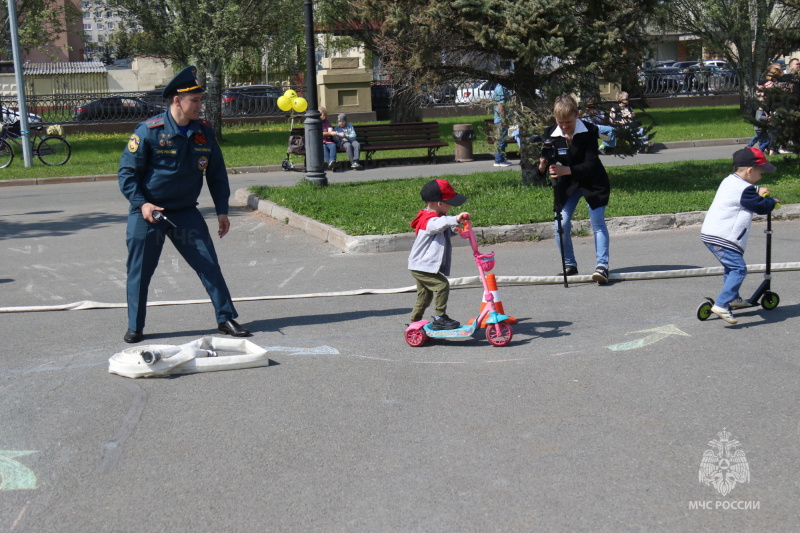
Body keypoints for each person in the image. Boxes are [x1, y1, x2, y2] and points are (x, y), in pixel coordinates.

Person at [118, 65, 250, 343]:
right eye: (195, 100)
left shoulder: (203, 133)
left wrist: (222, 211)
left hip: (185, 213)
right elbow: (127, 174)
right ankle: (135, 326)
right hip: (148, 214)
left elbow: (216, 175)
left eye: (201, 100)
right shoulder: (148, 131)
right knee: (140, 272)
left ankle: (225, 318)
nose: (200, 106)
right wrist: (143, 205)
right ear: (177, 100)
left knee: (208, 265)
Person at [536, 94, 612, 284]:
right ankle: (569, 264)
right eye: (560, 122)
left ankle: (602, 267)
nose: (563, 126)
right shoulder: (550, 133)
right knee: (560, 224)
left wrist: (566, 170)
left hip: (592, 182)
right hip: (567, 186)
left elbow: (592, 164)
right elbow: (542, 172)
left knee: (597, 222)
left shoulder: (590, 131)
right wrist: (543, 166)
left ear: (577, 115)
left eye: (568, 122)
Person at [700, 147, 779, 325]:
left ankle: (733, 298)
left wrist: (758, 188)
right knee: (739, 269)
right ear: (750, 170)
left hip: (713, 234)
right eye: (761, 172)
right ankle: (721, 304)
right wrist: (771, 202)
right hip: (723, 237)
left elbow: (747, 191)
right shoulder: (745, 191)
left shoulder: (730, 181)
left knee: (731, 267)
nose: (762, 175)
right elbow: (760, 207)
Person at [408, 179, 469, 330]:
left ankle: (414, 322)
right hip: (421, 265)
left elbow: (442, 231)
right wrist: (454, 219)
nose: (451, 207)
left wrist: (457, 229)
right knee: (442, 285)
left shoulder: (438, 219)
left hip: (421, 265)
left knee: (425, 295)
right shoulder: (427, 219)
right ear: (439, 203)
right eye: (450, 203)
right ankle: (440, 317)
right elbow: (436, 226)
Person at [493, 82, 512, 167]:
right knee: (501, 140)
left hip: (500, 119)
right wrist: (504, 119)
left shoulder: (501, 87)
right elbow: (501, 105)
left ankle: (501, 159)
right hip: (501, 119)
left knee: (502, 140)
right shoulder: (501, 88)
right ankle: (499, 160)